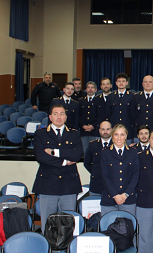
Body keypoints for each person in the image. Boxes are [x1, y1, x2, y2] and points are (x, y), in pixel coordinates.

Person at [32, 104, 83, 232]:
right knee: (47, 224)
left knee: (68, 223)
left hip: (69, 184)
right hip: (47, 184)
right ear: (50, 117)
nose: (58, 117)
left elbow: (77, 154)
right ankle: (48, 250)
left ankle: (67, 251)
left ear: (66, 117)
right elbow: (41, 156)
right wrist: (64, 162)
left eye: (61, 114)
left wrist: (55, 152)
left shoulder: (74, 134)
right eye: (55, 114)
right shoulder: (40, 134)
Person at [100, 124, 140, 253]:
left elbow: (136, 175)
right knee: (107, 230)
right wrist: (115, 195)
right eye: (116, 135)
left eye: (122, 135)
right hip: (109, 199)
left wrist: (125, 194)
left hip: (128, 199)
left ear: (126, 137)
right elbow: (104, 176)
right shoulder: (105, 153)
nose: (119, 138)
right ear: (112, 136)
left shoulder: (133, 153)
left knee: (130, 230)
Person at [83, 121, 112, 197]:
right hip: (96, 184)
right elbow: (86, 163)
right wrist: (96, 172)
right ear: (99, 130)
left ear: (112, 130)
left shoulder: (116, 145)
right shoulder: (92, 145)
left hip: (113, 185)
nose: (105, 132)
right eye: (103, 129)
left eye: (107, 129)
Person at [108, 73, 137, 139]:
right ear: (116, 83)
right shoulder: (110, 96)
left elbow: (134, 114)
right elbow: (108, 114)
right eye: (119, 81)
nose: (121, 83)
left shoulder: (132, 96)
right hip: (114, 128)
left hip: (128, 128)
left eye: (123, 81)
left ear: (127, 83)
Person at [79, 81, 100, 153]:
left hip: (94, 131)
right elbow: (78, 115)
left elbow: (100, 115)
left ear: (96, 89)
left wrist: (93, 126)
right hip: (83, 131)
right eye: (88, 87)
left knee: (94, 152)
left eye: (92, 87)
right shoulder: (81, 101)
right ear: (86, 89)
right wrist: (83, 125)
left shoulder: (99, 100)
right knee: (85, 152)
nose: (90, 89)